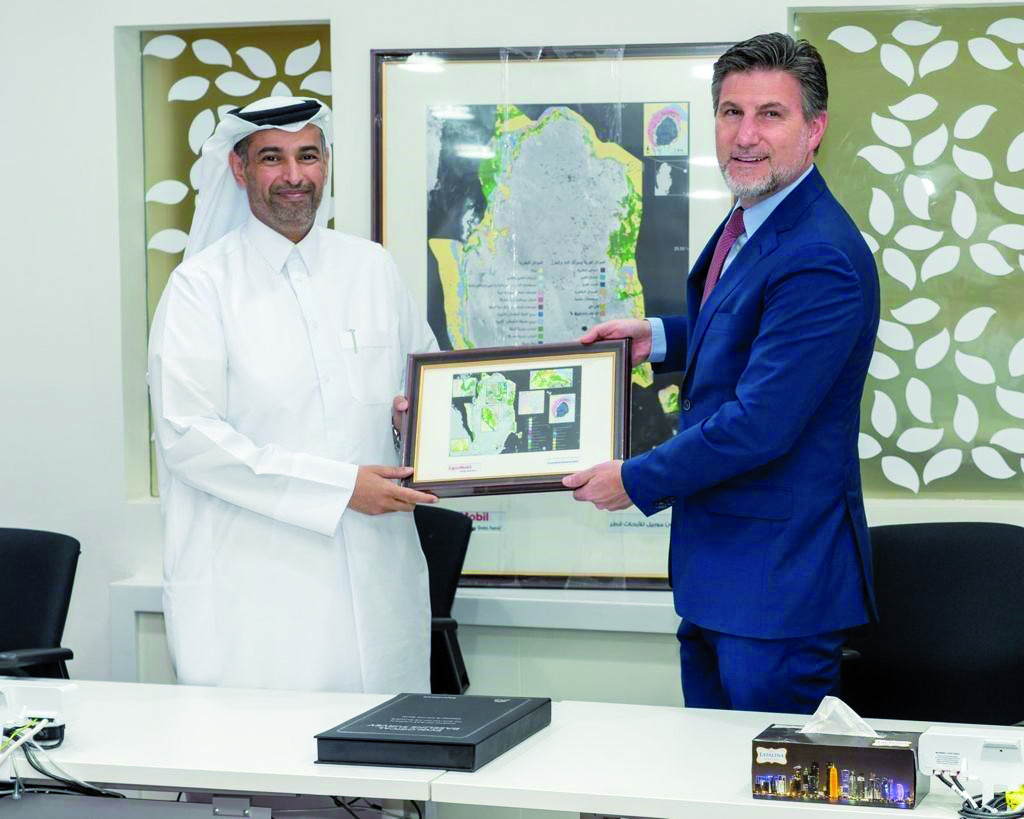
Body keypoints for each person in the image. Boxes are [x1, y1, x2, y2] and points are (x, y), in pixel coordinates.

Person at [564, 34, 880, 713]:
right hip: (722, 578)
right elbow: (745, 331)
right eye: (731, 112)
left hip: (777, 592)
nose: (746, 135)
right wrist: (661, 335)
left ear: (814, 128)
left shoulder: (819, 254)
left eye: (771, 114)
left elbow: (759, 423)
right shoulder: (753, 220)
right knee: (709, 784)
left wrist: (635, 478)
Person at [148, 97, 439, 693]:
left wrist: (412, 421)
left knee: (387, 758)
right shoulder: (201, 288)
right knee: (271, 766)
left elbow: (426, 386)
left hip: (379, 570)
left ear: (326, 164)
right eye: (272, 158)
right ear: (239, 170)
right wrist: (338, 488)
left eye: (307, 155)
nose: (293, 176)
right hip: (261, 588)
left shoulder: (373, 269)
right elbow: (189, 438)